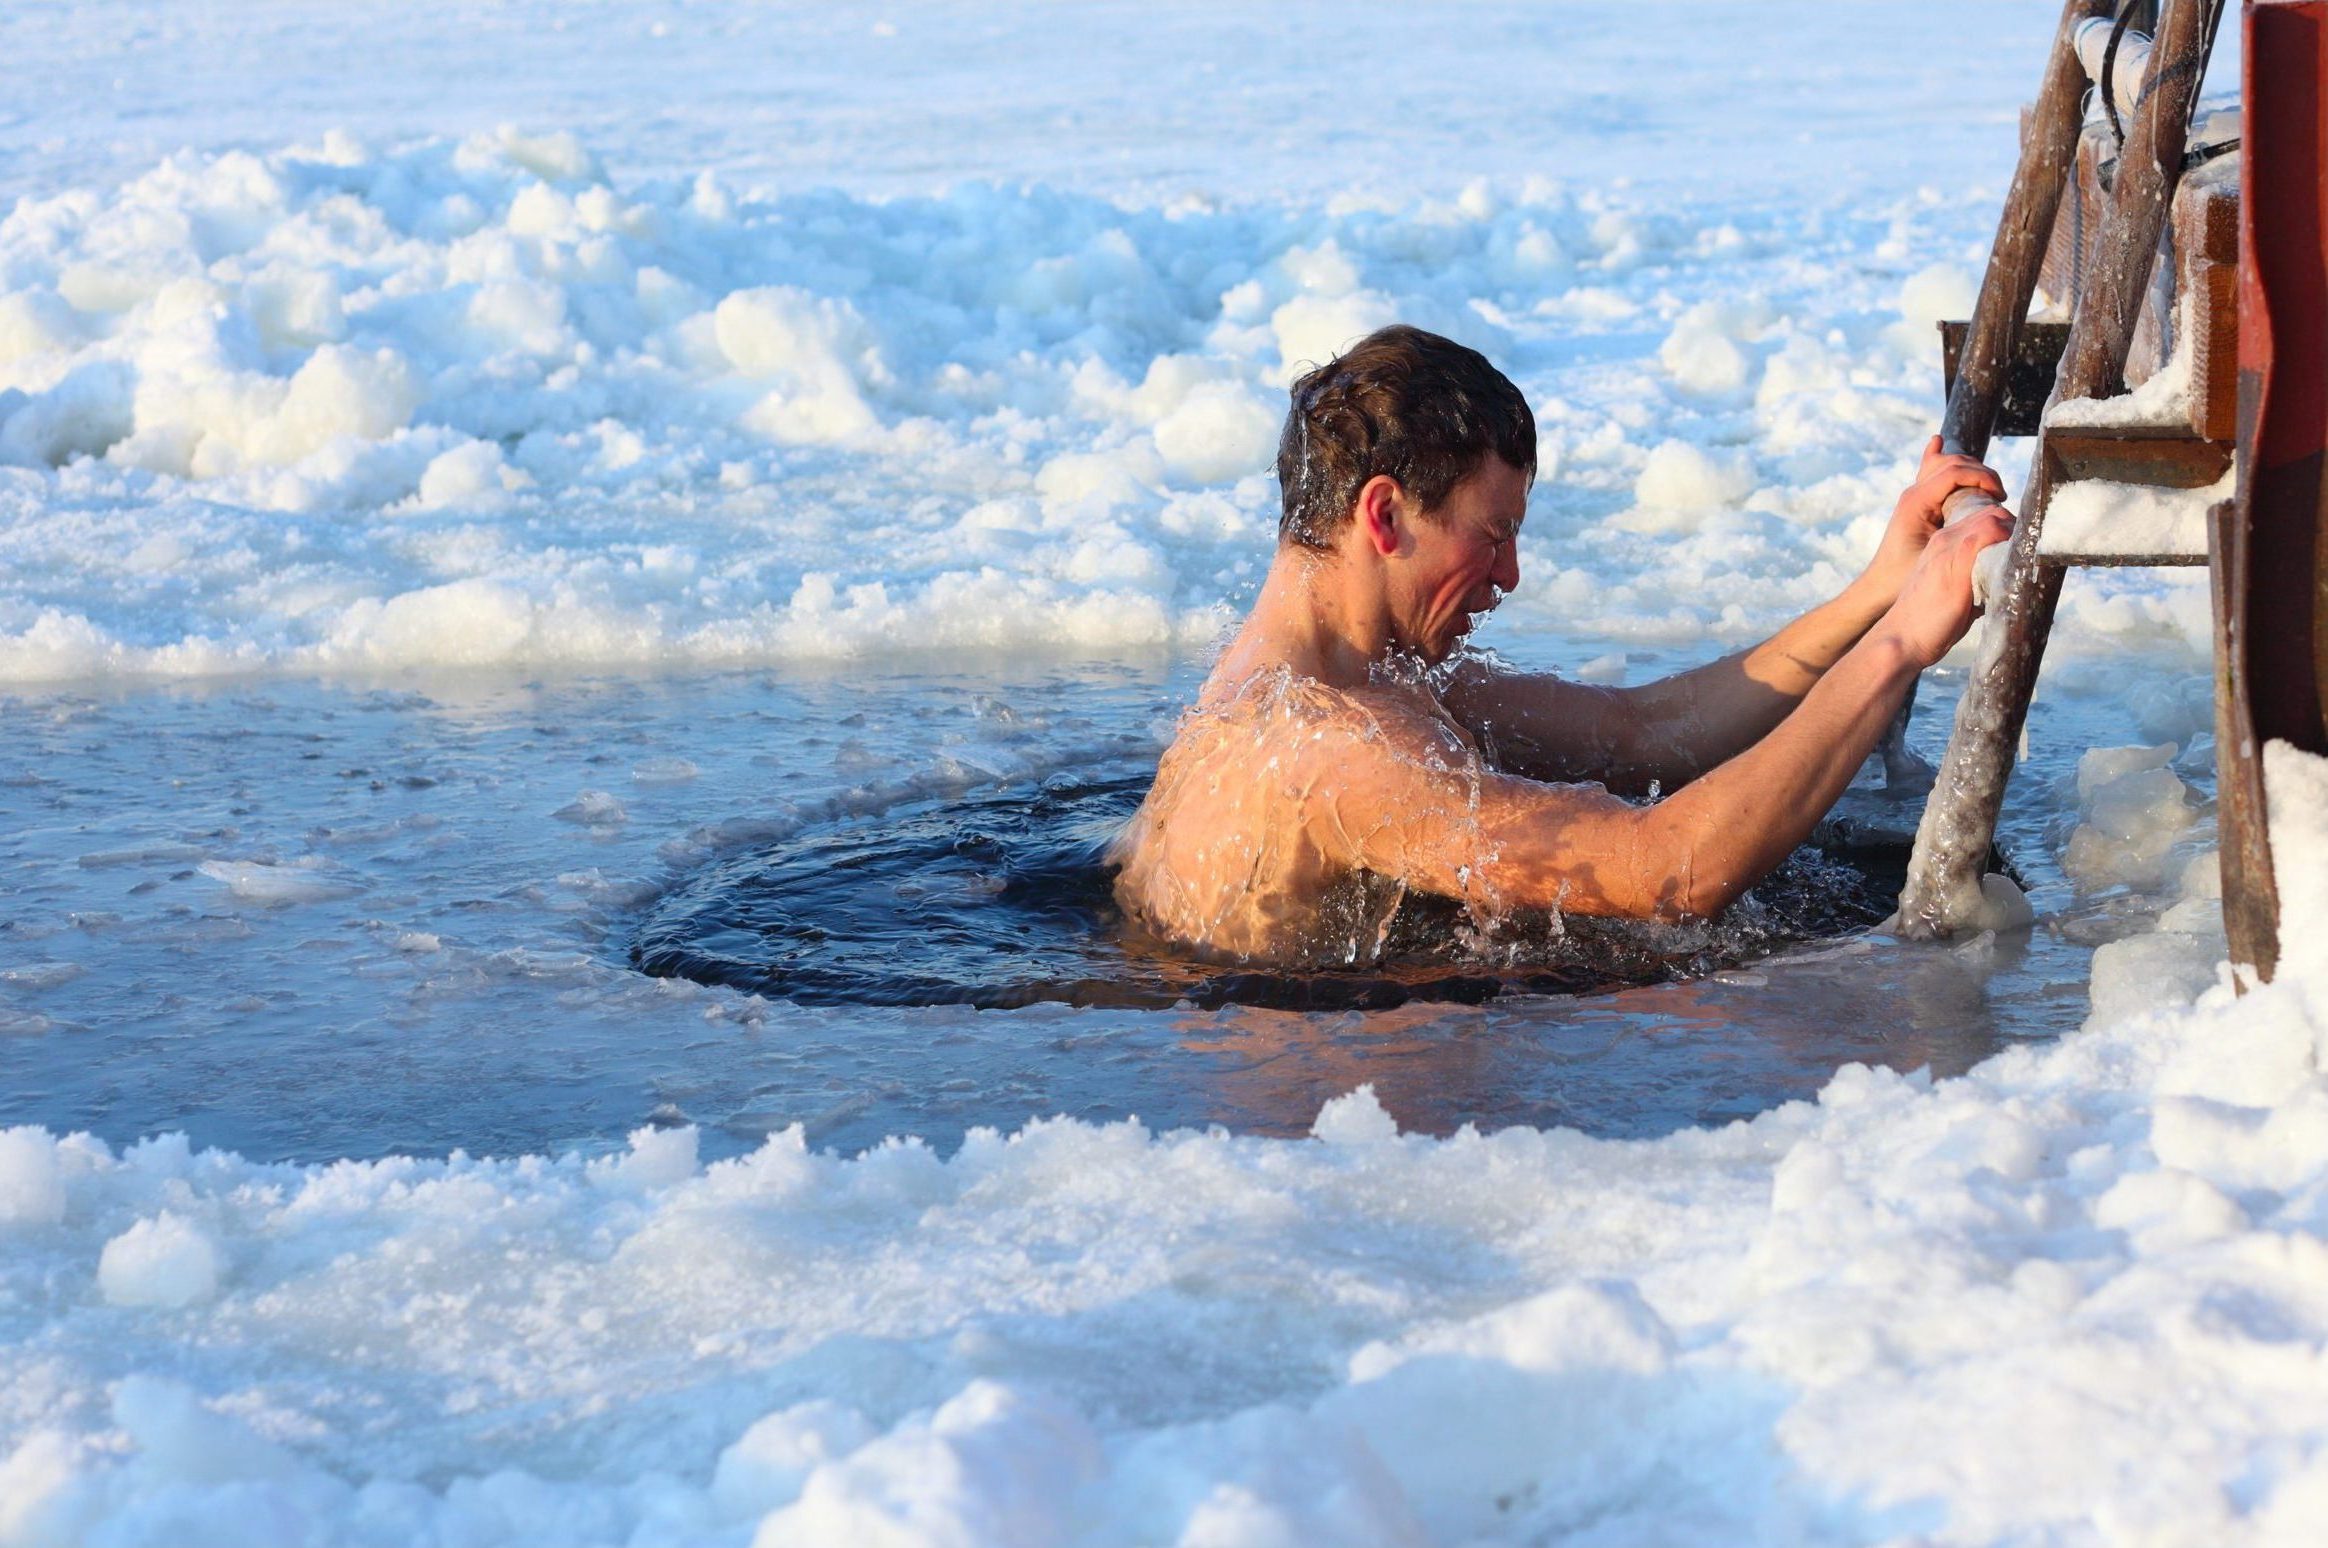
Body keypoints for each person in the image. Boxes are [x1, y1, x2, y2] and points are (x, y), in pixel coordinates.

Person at [1110, 324, 2012, 966]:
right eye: (1492, 534)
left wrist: (1879, 589)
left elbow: (1645, 732)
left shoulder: (1331, 684)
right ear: (1384, 514)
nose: (1508, 577)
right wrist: (1898, 646)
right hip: (1329, 1121)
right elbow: (1668, 873)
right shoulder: (1336, 751)